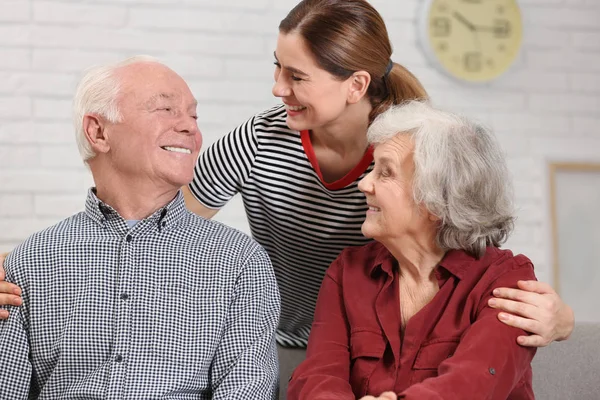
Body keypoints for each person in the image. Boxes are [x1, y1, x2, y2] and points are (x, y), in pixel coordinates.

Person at [0, 0, 574, 396]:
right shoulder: (259, 140)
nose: (277, 88)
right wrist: (36, 265)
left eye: (296, 76)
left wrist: (561, 317)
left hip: (369, 342)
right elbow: (165, 225)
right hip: (292, 342)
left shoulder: (412, 149)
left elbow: (469, 243)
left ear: (355, 85)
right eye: (277, 68)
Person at [0, 56, 280, 399]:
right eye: (165, 110)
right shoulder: (31, 261)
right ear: (98, 132)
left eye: (193, 115)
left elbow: (247, 390)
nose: (190, 127)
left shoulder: (240, 261)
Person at [288, 101, 538, 400]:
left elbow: (472, 384)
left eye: (385, 172)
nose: (364, 184)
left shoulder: (506, 280)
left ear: (435, 202)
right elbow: (318, 375)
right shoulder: (348, 272)